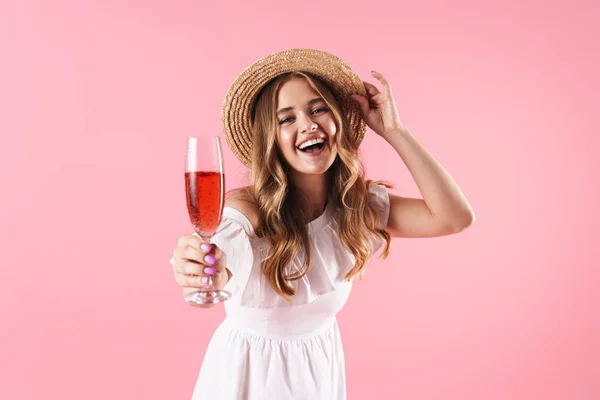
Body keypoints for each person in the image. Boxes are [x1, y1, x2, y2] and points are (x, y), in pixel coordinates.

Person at [170, 49, 475, 399]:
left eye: (317, 109)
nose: (308, 124)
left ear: (338, 121)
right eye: (287, 119)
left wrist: (395, 131)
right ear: (271, 139)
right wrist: (199, 265)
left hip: (319, 372)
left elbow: (454, 217)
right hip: (250, 377)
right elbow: (220, 256)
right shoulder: (248, 210)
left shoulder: (356, 206)